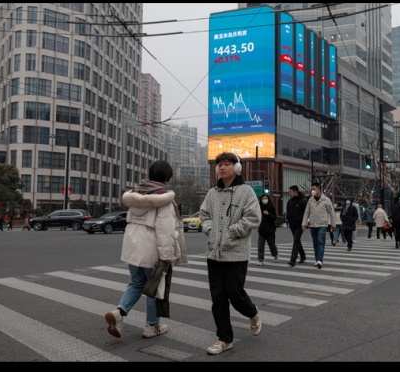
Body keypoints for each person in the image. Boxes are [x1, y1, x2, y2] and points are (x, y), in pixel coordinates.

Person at [104, 160, 187, 339]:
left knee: (136, 283)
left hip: (133, 248)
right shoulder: (164, 199)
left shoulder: (134, 195)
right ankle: (152, 326)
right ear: (167, 178)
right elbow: (165, 231)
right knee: (154, 288)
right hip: (152, 250)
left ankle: (119, 313)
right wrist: (166, 256)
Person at [200, 152, 262, 355]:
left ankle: (252, 312)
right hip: (214, 253)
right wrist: (209, 229)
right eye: (220, 165)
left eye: (227, 164)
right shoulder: (212, 193)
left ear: (236, 168)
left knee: (235, 294)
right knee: (218, 297)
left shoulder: (246, 192)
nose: (222, 168)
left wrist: (231, 232)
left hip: (236, 252)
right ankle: (224, 339)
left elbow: (253, 218)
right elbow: (204, 215)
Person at [301, 182, 336, 269]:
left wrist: (333, 224)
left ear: (319, 189)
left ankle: (320, 260)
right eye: (312, 189)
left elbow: (331, 212)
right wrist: (304, 224)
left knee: (320, 241)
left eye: (314, 189)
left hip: (322, 224)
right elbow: (306, 212)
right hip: (313, 224)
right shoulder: (310, 200)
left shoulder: (326, 200)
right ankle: (317, 259)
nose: (312, 191)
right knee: (315, 242)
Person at [286, 185, 308, 267]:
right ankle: (303, 256)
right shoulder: (290, 201)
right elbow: (287, 211)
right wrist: (288, 219)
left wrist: (304, 223)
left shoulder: (303, 201)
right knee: (297, 240)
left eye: (290, 192)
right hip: (292, 224)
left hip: (300, 224)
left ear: (295, 192)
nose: (289, 193)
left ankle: (293, 260)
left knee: (296, 240)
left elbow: (306, 213)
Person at [257, 193, 278, 266]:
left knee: (272, 245)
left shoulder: (271, 207)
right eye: (263, 198)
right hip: (262, 230)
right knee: (260, 245)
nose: (264, 200)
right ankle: (260, 259)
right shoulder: (258, 208)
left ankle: (275, 254)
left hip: (270, 230)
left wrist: (268, 214)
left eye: (266, 198)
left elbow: (274, 218)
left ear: (268, 199)